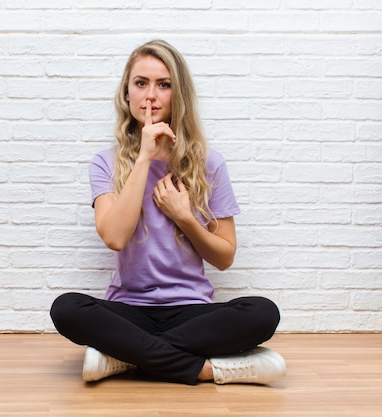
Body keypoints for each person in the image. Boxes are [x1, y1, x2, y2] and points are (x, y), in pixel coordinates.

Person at [50, 40, 287, 385]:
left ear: (179, 95)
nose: (151, 95)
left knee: (263, 313)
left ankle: (124, 358)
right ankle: (206, 369)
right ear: (126, 94)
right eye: (141, 83)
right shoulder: (106, 163)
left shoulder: (210, 164)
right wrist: (144, 158)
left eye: (164, 85)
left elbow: (224, 258)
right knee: (66, 308)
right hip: (128, 311)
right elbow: (114, 237)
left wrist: (186, 218)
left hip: (191, 313)